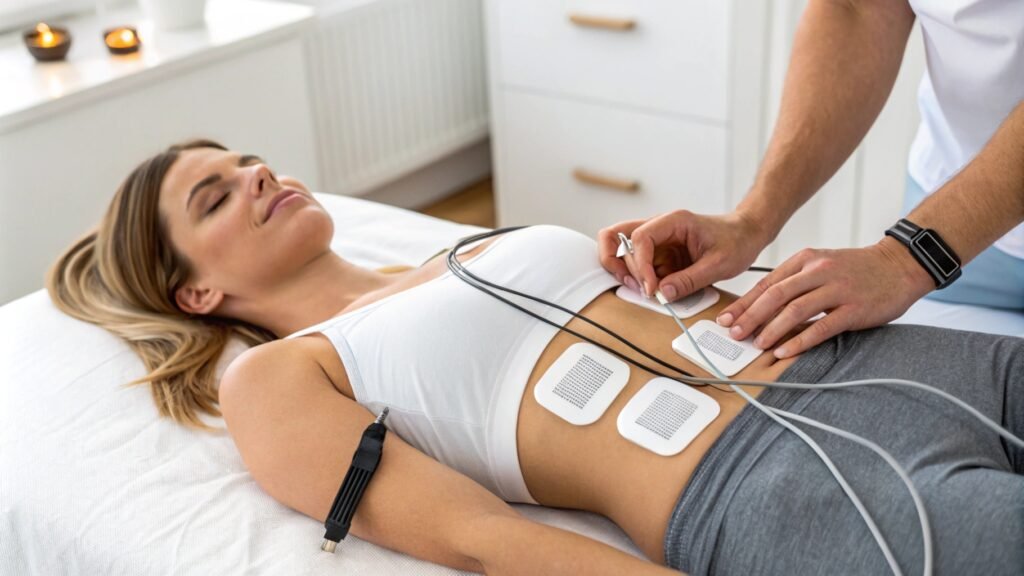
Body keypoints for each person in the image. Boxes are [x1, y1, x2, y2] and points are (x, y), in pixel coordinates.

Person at [47, 140, 1022, 575]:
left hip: (875, 354)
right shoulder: (278, 376)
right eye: (214, 198)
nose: (255, 175)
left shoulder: (459, 250)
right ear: (195, 296)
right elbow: (482, 540)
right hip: (774, 486)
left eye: (244, 162)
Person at [599, 0, 1024, 361]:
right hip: (955, 228)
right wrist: (752, 219)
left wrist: (905, 260)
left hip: (934, 244)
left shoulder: (913, 258)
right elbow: (855, 9)